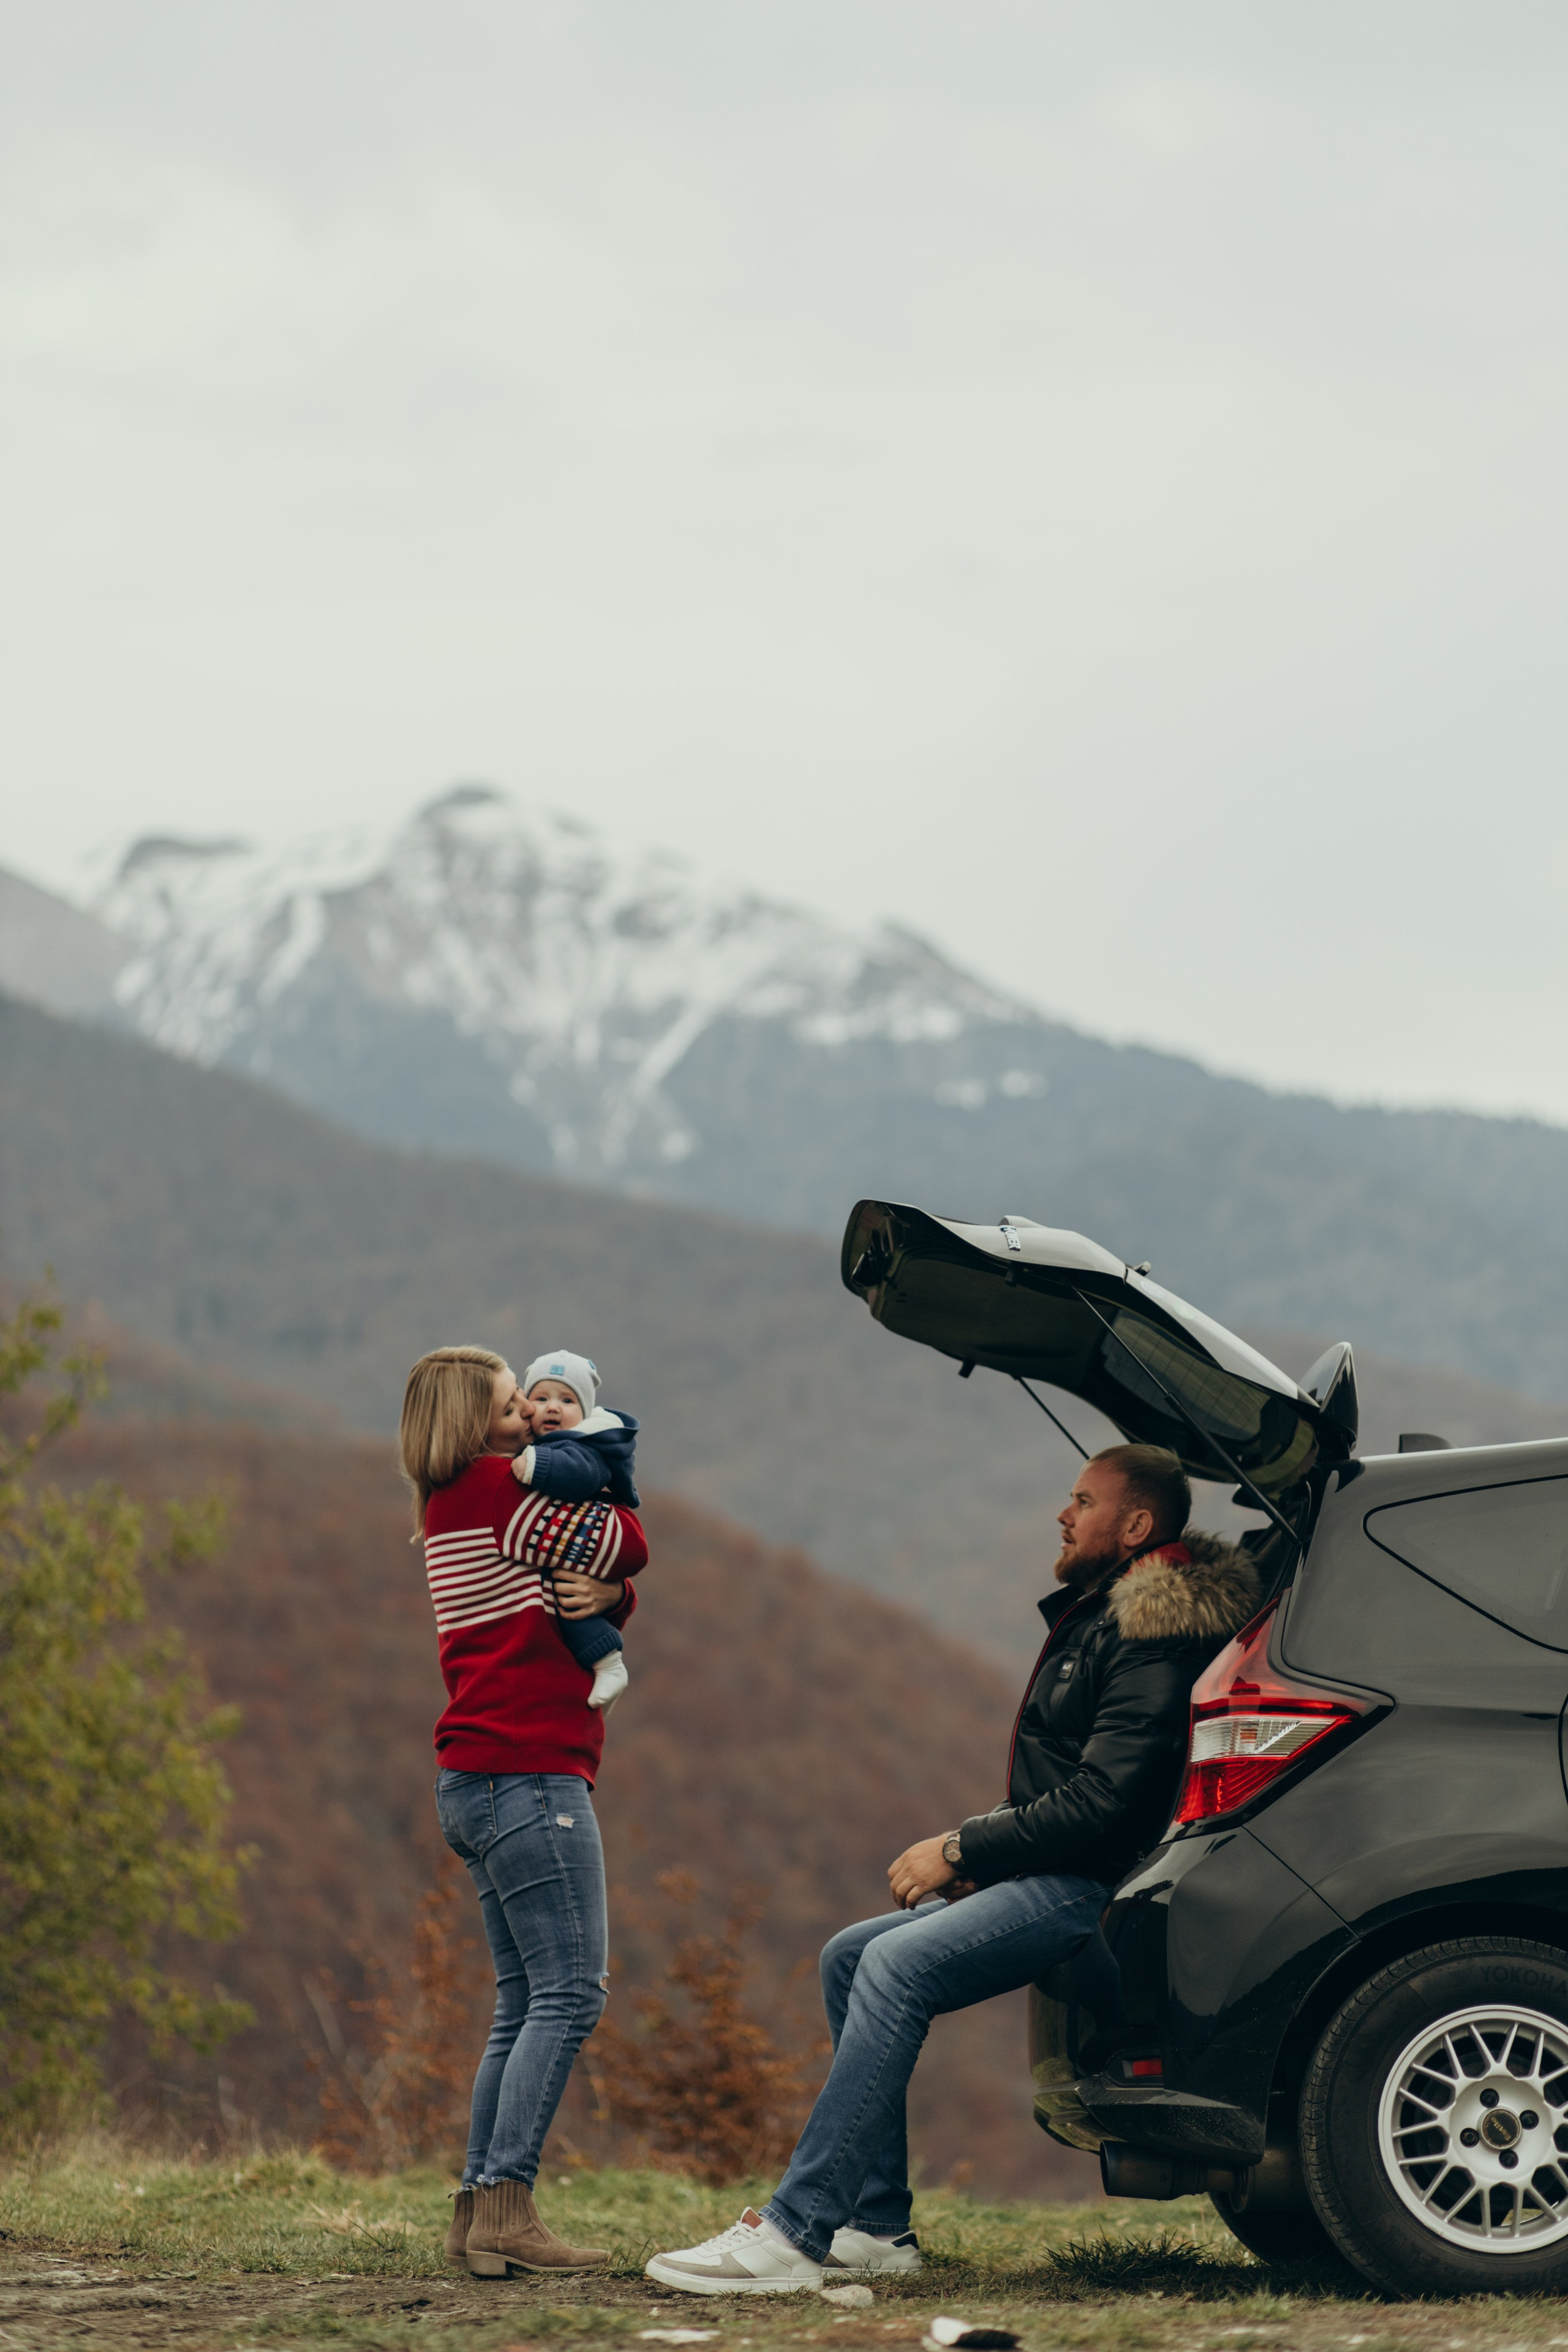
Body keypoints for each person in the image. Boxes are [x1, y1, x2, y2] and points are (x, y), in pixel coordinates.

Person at [644, 1444, 1261, 2295]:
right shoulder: (1110, 1615)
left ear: (1136, 1525)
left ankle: (793, 2233)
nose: (1063, 1513)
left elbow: (1109, 1806)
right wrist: (988, 1857)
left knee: (896, 1966)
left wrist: (966, 1847)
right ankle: (875, 2225)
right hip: (1056, 1874)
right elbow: (1075, 1792)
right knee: (850, 1955)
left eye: (1083, 1500)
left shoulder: (1151, 1635)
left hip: (1093, 1893)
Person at [399, 1344, 648, 2278]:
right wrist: (617, 1590)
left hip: (474, 1777)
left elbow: (588, 1570)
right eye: (509, 1408)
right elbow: (628, 1540)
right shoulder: (503, 1489)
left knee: (521, 2002)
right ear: (473, 1425)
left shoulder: (449, 1501)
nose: (530, 1420)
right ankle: (507, 2205)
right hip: (529, 1774)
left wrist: (605, 1595)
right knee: (572, 1992)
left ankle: (479, 2210)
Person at [510, 1348, 641, 1714]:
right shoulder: (536, 1446)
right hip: (560, 1553)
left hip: (576, 1549)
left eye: (567, 1400)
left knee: (574, 1606)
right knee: (569, 1603)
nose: (553, 1407)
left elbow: (578, 1474)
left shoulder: (584, 1445)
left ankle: (609, 1664)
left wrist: (536, 1464)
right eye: (542, 1398)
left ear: (584, 1412)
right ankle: (606, 1666)